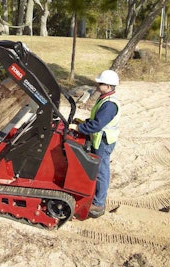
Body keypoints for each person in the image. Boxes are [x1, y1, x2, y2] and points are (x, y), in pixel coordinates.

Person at [69, 70, 121, 218]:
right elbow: (95, 119)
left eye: (101, 83)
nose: (98, 84)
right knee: (98, 169)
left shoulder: (110, 104)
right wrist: (84, 122)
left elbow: (97, 125)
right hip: (100, 138)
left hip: (104, 141)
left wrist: (79, 128)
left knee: (101, 171)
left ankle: (98, 204)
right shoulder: (104, 98)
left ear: (109, 86)